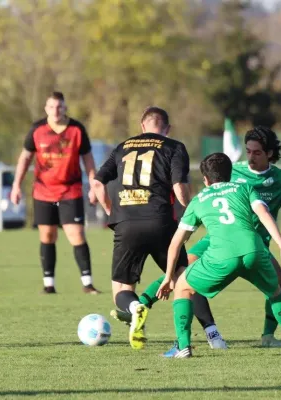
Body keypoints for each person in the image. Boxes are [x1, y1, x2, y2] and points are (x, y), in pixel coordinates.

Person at [115, 126, 281, 349]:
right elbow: (215, 182)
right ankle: (142, 305)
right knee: (183, 268)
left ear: (269, 154)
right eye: (248, 151)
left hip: (253, 241)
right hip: (220, 239)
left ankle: (267, 336)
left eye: (257, 153)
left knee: (278, 284)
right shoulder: (232, 171)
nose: (251, 157)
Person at [91, 106, 223, 350]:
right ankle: (213, 336)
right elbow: (179, 189)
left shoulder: (123, 147)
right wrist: (195, 212)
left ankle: (134, 307)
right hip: (162, 222)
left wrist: (113, 213)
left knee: (121, 289)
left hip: (126, 224)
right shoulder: (174, 147)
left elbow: (98, 184)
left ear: (142, 126)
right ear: (167, 129)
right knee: (185, 279)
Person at [157, 152, 281, 358]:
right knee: (275, 292)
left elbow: (175, 243)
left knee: (183, 287)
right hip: (253, 251)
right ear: (230, 174)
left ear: (206, 179)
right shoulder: (245, 188)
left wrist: (168, 278)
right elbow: (264, 214)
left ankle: (183, 347)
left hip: (221, 257)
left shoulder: (199, 199)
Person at [10, 92, 100, 294]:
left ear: (65, 108)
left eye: (59, 107)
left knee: (76, 234)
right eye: (51, 107)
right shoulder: (37, 129)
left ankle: (88, 283)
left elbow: (88, 159)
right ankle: (48, 284)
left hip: (70, 190)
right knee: (47, 235)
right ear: (46, 108)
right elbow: (25, 158)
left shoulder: (76, 129)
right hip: (43, 191)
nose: (56, 110)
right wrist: (16, 184)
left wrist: (94, 186)